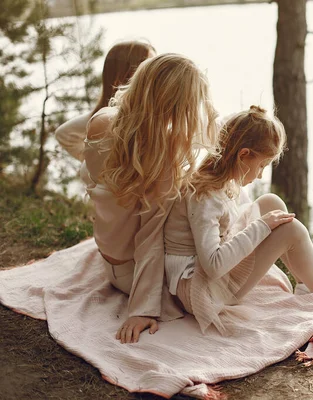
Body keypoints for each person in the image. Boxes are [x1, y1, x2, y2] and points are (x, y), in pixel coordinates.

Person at [163, 106, 313, 335]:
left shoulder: (220, 180)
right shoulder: (205, 197)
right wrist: (262, 227)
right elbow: (214, 266)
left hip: (201, 277)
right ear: (243, 155)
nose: (260, 175)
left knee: (271, 202)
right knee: (292, 232)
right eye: (261, 166)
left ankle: (307, 284)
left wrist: (264, 224)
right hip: (201, 291)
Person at [82, 53, 219, 343]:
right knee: (207, 201)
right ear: (177, 105)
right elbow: (150, 237)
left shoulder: (101, 122)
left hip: (110, 260)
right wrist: (143, 308)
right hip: (129, 274)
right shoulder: (163, 156)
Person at [55, 40, 156, 161]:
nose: (155, 71)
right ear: (127, 72)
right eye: (148, 65)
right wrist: (93, 163)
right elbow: (63, 134)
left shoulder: (154, 110)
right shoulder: (104, 117)